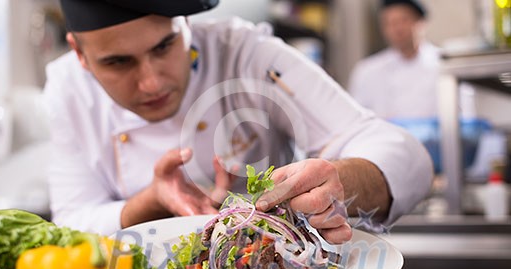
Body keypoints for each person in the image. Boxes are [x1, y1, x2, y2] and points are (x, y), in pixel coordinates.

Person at [44, 0, 433, 241]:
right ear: (79, 52)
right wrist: (149, 203)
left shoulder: (244, 53)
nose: (151, 82)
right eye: (117, 62)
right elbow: (71, 224)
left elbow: (405, 155)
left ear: (186, 24)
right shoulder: (67, 90)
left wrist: (337, 180)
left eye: (164, 46)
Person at [348, 0, 439, 120]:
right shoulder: (367, 70)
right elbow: (355, 119)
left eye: (403, 21)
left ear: (421, 22)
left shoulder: (444, 65)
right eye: (390, 23)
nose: (397, 29)